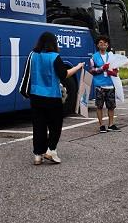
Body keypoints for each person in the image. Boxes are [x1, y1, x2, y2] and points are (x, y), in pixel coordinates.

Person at [26, 31, 85, 164]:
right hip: (52, 96)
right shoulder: (54, 57)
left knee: (38, 126)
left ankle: (37, 155)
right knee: (55, 125)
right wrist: (77, 67)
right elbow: (64, 74)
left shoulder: (33, 55)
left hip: (35, 95)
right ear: (54, 43)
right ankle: (51, 150)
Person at [89, 35, 119, 133]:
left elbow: (116, 69)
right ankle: (101, 125)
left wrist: (114, 72)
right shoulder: (93, 57)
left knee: (111, 106)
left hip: (110, 84)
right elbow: (92, 70)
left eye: (105, 43)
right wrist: (102, 68)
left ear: (108, 45)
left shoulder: (111, 56)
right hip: (99, 85)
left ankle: (111, 124)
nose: (103, 45)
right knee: (99, 106)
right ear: (97, 45)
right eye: (101, 43)